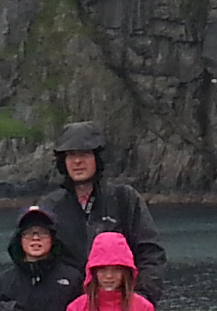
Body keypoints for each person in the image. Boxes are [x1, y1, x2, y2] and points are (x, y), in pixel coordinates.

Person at [34, 121, 166, 300]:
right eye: (71, 155)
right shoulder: (50, 206)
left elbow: (151, 254)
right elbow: (33, 260)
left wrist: (141, 299)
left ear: (98, 158)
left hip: (120, 309)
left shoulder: (125, 199)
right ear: (62, 162)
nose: (78, 161)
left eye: (85, 154)